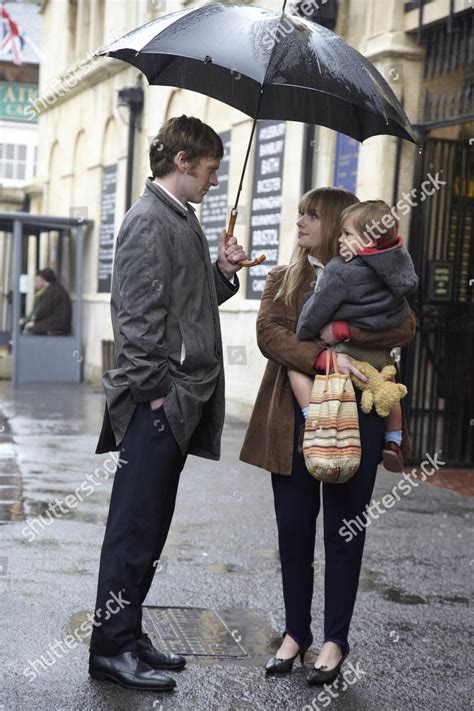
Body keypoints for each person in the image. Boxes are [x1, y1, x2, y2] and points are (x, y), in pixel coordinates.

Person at [89, 115, 247, 692]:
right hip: (157, 405)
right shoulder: (148, 220)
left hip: (175, 402)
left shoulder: (180, 218)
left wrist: (223, 274)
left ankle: (126, 634)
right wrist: (158, 393)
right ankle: (109, 648)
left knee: (151, 529)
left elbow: (185, 299)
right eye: (209, 169)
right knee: (132, 531)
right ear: (183, 161)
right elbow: (136, 320)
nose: (212, 179)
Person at [239, 187, 415, 687]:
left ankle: (336, 639)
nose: (299, 222)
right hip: (290, 420)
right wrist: (319, 357)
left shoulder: (377, 275)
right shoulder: (283, 278)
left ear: (337, 225)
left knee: (345, 531)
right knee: (293, 532)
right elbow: (269, 332)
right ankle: (296, 634)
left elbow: (404, 326)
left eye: (311, 215)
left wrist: (337, 330)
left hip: (357, 415)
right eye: (298, 213)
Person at [290, 199, 418, 472]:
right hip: (379, 358)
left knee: (294, 367)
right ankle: (393, 440)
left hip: (345, 355)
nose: (340, 239)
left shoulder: (341, 270)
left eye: (347, 234)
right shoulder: (396, 271)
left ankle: (311, 420)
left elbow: (310, 320)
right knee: (388, 385)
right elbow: (402, 318)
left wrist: (337, 329)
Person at [21, 268, 72, 335]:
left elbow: (44, 309)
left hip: (58, 325)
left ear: (42, 280)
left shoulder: (53, 291)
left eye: (37, 280)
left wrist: (34, 321)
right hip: (58, 323)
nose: (35, 283)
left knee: (29, 329)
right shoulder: (55, 289)